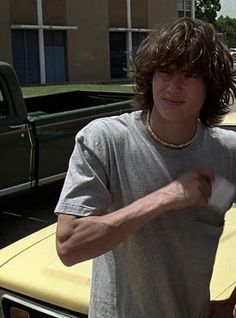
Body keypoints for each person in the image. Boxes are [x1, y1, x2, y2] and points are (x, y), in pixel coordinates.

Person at [55, 17, 236, 318]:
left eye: (190, 75)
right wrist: (166, 197)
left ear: (210, 87)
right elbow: (70, 245)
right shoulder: (105, 141)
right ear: (150, 76)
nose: (173, 86)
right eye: (164, 71)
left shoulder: (226, 154)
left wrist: (231, 302)